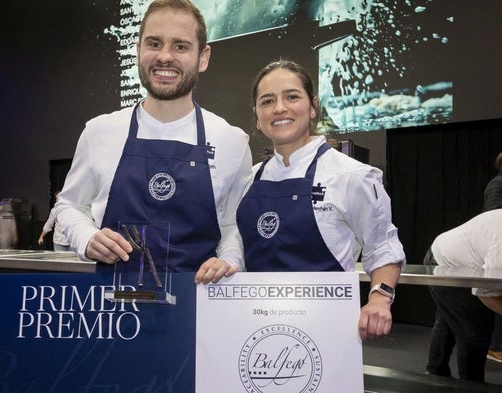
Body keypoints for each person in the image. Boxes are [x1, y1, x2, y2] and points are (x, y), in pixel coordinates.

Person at [55, 0, 252, 284]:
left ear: (203, 57)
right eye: (154, 44)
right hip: (114, 312)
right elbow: (69, 205)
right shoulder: (99, 131)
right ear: (138, 50)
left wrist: (228, 261)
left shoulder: (231, 140)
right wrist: (86, 238)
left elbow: (232, 224)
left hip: (199, 307)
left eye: (180, 47)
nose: (165, 57)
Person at [234, 60, 405, 340]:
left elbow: (383, 247)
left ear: (312, 106)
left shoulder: (351, 176)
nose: (279, 108)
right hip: (255, 327)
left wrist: (379, 299)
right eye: (267, 101)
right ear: (257, 115)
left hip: (327, 331)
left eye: (292, 97)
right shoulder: (248, 182)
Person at [424, 209, 502, 382]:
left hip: (456, 256)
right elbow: (485, 293)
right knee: (476, 329)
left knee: (448, 319)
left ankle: (434, 374)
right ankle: (471, 385)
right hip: (445, 262)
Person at [484, 151, 502, 363]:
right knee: (496, 290)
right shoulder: (497, 184)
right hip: (494, 246)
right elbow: (493, 215)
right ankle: (497, 347)